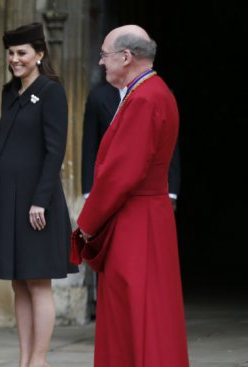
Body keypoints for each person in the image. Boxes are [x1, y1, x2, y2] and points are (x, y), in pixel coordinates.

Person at [75, 25, 189, 366]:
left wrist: (87, 223)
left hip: (135, 220)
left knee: (135, 312)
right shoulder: (151, 92)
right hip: (145, 217)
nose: (100, 63)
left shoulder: (145, 98)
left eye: (105, 56)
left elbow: (121, 173)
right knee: (146, 312)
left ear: (126, 57)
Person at [0, 23, 78, 367]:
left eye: (22, 53)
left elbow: (55, 151)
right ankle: (24, 359)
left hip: (37, 204)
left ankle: (39, 360)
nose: (15, 59)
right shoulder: (10, 92)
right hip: (7, 202)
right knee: (18, 283)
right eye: (11, 53)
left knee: (38, 283)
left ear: (39, 54)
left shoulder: (51, 91)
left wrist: (40, 199)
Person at [81, 81, 181, 206]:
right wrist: (88, 192)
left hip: (148, 189)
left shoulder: (162, 95)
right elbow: (90, 148)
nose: (102, 62)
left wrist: (171, 193)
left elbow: (169, 146)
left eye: (106, 59)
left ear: (126, 60)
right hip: (109, 190)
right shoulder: (97, 96)